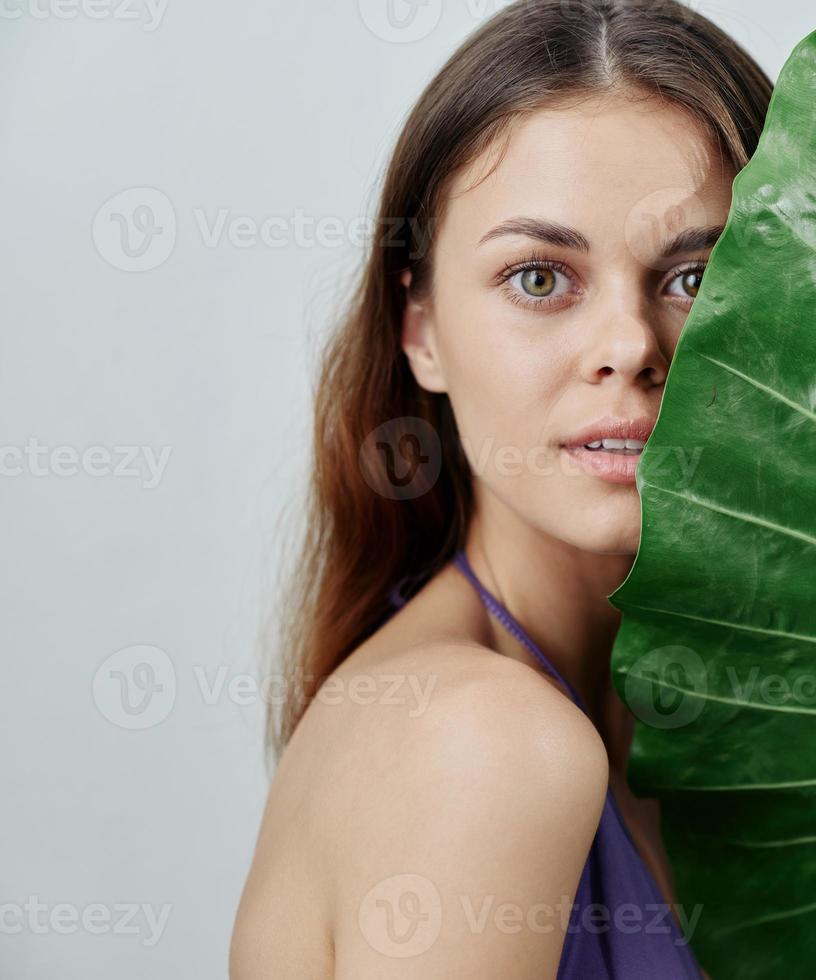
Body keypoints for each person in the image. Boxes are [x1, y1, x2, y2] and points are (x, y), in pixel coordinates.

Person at [229, 1, 772, 976]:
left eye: (695, 276)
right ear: (422, 329)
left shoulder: (688, 720)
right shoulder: (486, 744)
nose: (629, 346)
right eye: (537, 278)